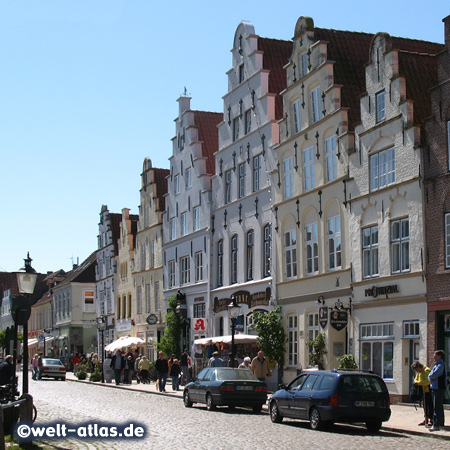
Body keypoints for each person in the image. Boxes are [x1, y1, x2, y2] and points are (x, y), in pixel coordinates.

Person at [428, 350, 447, 431]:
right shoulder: (436, 365)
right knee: (438, 406)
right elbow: (430, 376)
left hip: (438, 387)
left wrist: (432, 376)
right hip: (435, 387)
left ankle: (436, 425)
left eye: (435, 356)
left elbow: (434, 375)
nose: (433, 357)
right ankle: (440, 424)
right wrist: (431, 376)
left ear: (440, 356)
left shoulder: (440, 365)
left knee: (437, 407)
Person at [411, 360, 433, 426]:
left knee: (430, 405)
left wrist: (419, 383)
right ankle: (426, 418)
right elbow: (416, 379)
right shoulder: (420, 372)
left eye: (416, 370)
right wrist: (417, 382)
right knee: (425, 406)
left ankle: (431, 420)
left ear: (419, 367)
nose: (417, 372)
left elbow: (428, 381)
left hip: (428, 390)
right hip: (423, 391)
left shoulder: (426, 371)